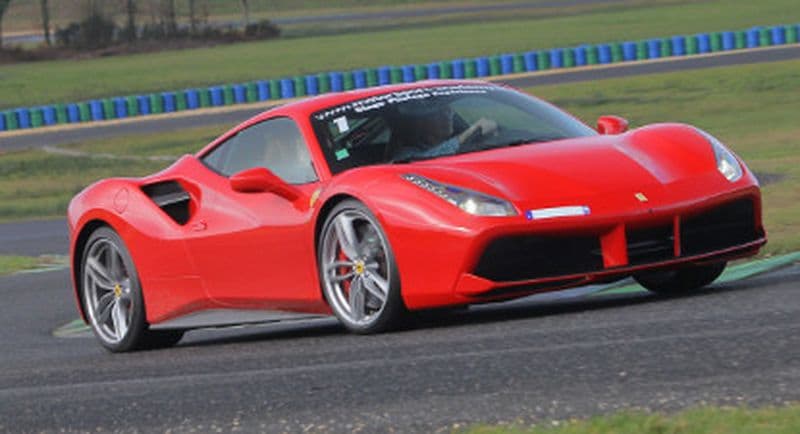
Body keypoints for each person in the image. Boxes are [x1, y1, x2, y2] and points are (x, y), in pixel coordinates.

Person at [391, 101, 498, 162]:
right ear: (422, 123)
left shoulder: (465, 145)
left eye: (448, 112)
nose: (447, 117)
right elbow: (426, 159)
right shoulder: (404, 155)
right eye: (438, 114)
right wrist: (469, 132)